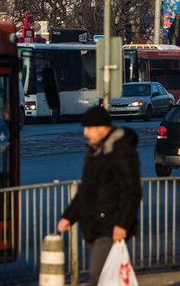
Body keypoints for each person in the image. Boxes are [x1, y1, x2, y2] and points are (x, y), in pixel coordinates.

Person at [57, 103, 142, 285]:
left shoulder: (121, 151)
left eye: (88, 128)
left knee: (99, 274)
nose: (85, 133)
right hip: (94, 225)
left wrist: (121, 224)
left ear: (102, 128)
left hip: (111, 226)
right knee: (105, 277)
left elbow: (132, 192)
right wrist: (68, 217)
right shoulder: (94, 151)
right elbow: (86, 190)